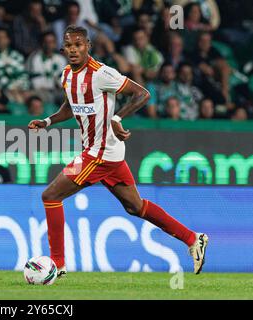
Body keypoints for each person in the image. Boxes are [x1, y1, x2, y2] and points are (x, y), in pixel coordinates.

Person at [27, 25, 208, 278]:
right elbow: (70, 107)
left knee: (50, 196)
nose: (73, 50)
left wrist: (117, 118)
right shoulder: (67, 75)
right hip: (107, 153)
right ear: (63, 48)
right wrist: (47, 122)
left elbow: (142, 94)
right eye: (69, 46)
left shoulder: (102, 74)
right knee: (135, 207)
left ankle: (57, 263)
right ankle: (193, 239)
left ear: (88, 45)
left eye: (78, 45)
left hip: (98, 154)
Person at [26, 31, 67, 104]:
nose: (49, 45)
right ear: (41, 43)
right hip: (40, 91)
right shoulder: (34, 58)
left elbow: (63, 80)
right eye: (46, 42)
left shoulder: (61, 59)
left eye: (52, 42)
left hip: (58, 92)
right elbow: (34, 81)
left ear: (55, 43)